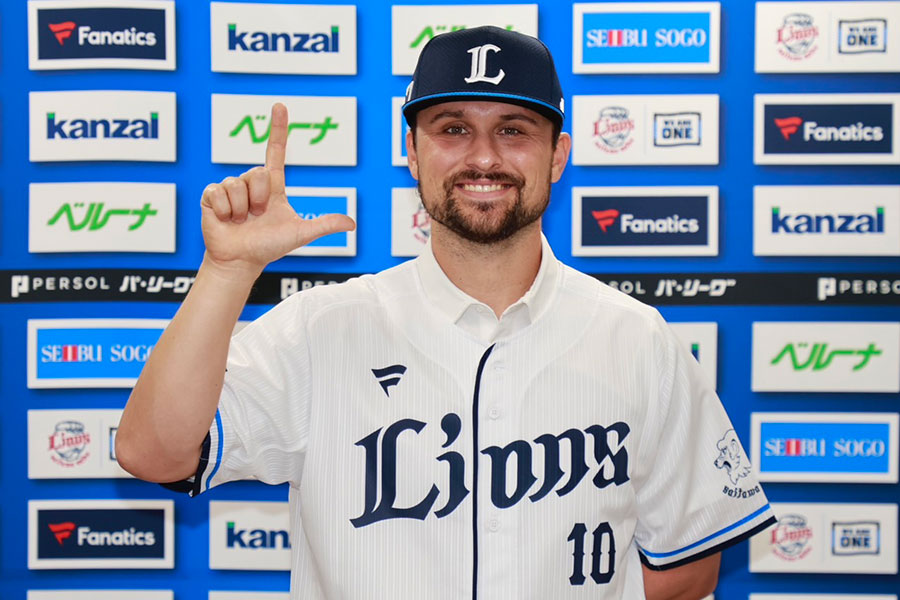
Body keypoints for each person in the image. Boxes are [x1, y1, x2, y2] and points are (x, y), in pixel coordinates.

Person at [117, 26, 774, 599]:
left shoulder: (637, 339)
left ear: (558, 155)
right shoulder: (322, 327)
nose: (483, 157)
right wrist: (228, 272)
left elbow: (688, 568)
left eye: (513, 130)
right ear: (412, 151)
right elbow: (152, 453)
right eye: (453, 129)